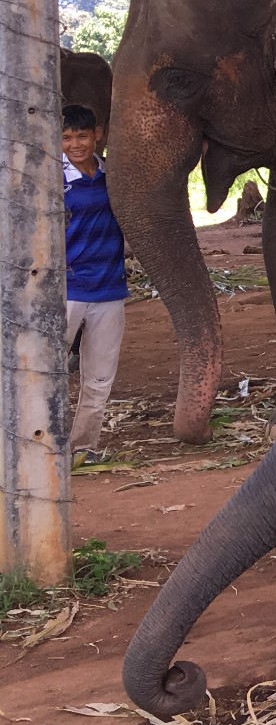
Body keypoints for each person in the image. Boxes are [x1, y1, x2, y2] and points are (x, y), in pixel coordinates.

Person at [62, 103, 127, 461]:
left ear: (97, 135)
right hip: (65, 291)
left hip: (109, 290)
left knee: (100, 378)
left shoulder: (112, 176)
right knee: (47, 373)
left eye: (82, 136)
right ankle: (40, 446)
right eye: (67, 138)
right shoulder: (52, 179)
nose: (75, 144)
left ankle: (82, 449)